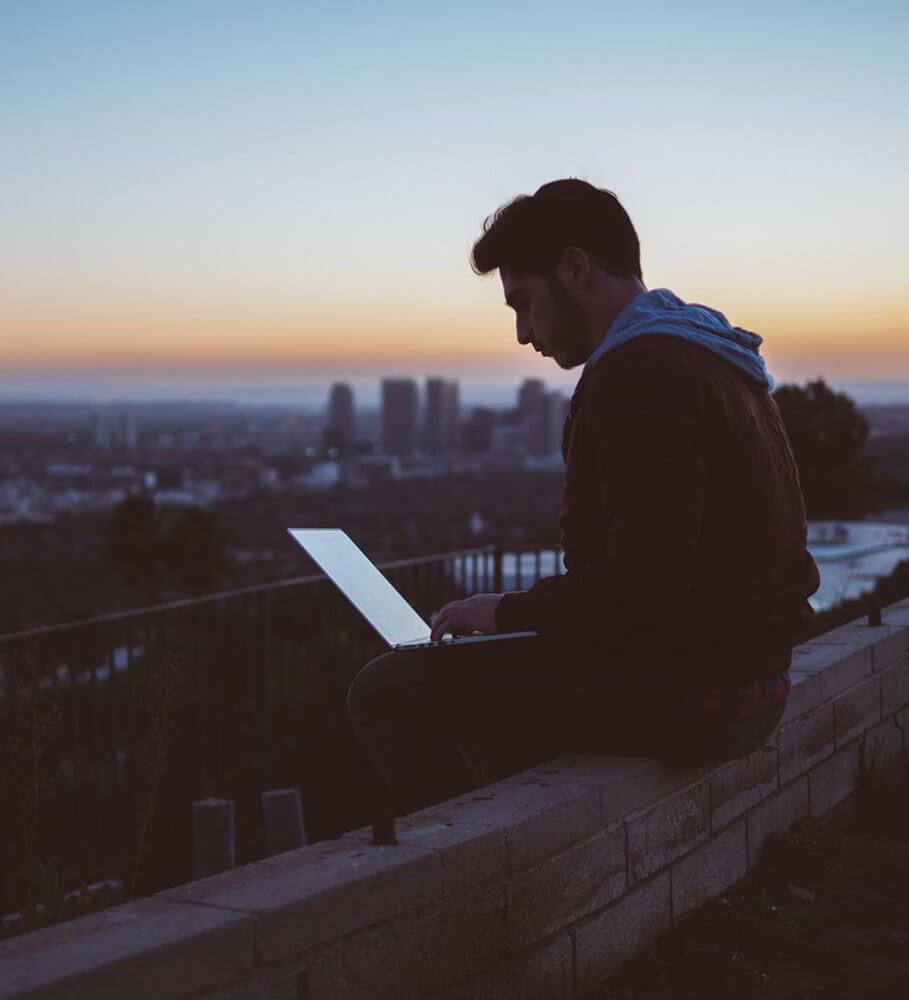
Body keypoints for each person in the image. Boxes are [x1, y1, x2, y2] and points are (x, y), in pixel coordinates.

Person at [347, 179, 821, 815]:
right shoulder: (713, 355)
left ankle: (484, 873)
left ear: (575, 268)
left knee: (384, 690)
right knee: (495, 682)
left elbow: (645, 584)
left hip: (699, 697)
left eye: (523, 303)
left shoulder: (642, 373)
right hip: (752, 681)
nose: (522, 333)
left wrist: (507, 613)